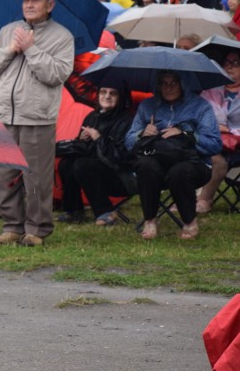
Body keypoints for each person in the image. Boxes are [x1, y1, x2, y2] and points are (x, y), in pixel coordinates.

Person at [0, 0, 74, 247]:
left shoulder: (62, 37)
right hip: (5, 116)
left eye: (35, 0)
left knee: (36, 177)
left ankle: (37, 229)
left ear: (50, 5)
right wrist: (12, 48)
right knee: (5, 175)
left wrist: (31, 49)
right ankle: (12, 226)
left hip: (37, 117)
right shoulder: (8, 30)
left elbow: (56, 74)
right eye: (25, 0)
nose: (29, 5)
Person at [124, 70, 222, 240]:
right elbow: (128, 141)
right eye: (164, 83)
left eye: (174, 82)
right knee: (145, 165)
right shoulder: (147, 106)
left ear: (183, 83)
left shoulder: (200, 106)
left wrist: (187, 135)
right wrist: (142, 133)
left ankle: (190, 221)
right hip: (157, 160)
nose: (168, 87)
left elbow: (214, 144)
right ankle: (150, 220)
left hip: (193, 162)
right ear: (158, 85)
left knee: (179, 171)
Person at [56, 87, 136, 226]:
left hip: (122, 177)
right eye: (103, 92)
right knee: (66, 163)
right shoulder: (92, 116)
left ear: (121, 97)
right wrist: (81, 140)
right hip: (96, 169)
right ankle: (73, 211)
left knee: (83, 164)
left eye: (113, 93)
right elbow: (85, 151)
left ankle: (105, 212)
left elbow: (120, 158)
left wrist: (98, 138)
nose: (107, 96)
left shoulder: (127, 120)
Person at [199, 50, 240, 213]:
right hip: (213, 144)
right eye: (226, 63)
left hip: (237, 146)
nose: (229, 67)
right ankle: (203, 199)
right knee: (216, 159)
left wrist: (229, 131)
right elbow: (198, 117)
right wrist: (214, 127)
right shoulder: (210, 91)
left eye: (235, 63)